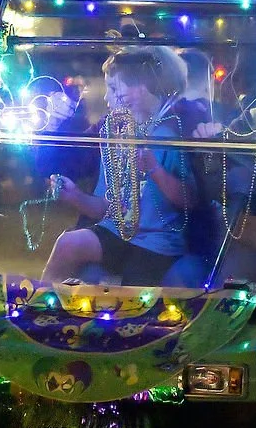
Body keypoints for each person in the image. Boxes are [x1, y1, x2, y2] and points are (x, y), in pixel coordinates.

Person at [43, 48, 194, 286]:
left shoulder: (169, 137)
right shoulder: (116, 138)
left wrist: (155, 170)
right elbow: (106, 207)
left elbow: (188, 200)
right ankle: (41, 307)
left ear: (141, 88)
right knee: (67, 243)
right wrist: (74, 196)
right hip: (117, 233)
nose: (106, 99)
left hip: (158, 244)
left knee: (131, 287)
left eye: (114, 89)